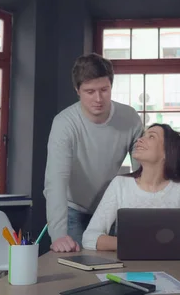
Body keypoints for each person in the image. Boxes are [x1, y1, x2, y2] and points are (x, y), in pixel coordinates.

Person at [43, 53, 144, 253]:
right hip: (73, 209)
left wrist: (144, 221)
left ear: (111, 87)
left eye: (104, 90)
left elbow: (142, 174)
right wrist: (58, 235)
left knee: (118, 268)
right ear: (77, 90)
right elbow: (56, 181)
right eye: (90, 91)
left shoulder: (130, 118)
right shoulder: (64, 123)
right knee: (76, 270)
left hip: (111, 209)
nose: (98, 99)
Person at [82, 123, 180, 252]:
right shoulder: (120, 184)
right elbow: (89, 238)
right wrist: (136, 244)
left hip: (176, 271)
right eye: (143, 135)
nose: (139, 140)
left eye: (151, 137)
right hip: (128, 270)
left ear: (167, 152)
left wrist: (159, 246)